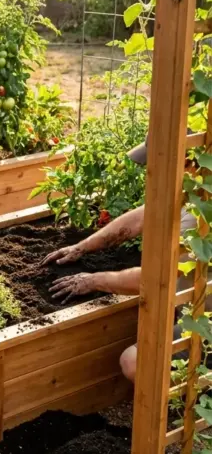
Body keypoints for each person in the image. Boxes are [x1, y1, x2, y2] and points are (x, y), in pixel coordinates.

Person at [42, 137, 198, 384]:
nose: (149, 170)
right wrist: (82, 247)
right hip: (193, 310)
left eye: (155, 163)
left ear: (186, 161)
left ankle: (191, 406)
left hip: (204, 326)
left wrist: (94, 281)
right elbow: (139, 219)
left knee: (133, 361)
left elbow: (155, 280)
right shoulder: (197, 192)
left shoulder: (197, 221)